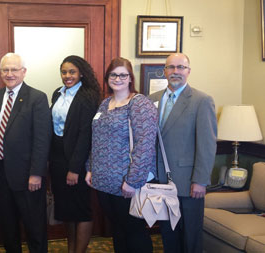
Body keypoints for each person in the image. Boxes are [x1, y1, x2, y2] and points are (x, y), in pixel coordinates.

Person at [85, 57, 157, 253]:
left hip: (126, 183)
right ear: (107, 77)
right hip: (103, 181)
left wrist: (133, 181)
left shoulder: (139, 103)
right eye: (113, 74)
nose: (118, 78)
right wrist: (90, 168)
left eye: (123, 75)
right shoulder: (105, 103)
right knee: (117, 228)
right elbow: (96, 140)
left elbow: (145, 145)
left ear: (130, 78)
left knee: (134, 230)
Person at [0, 52, 52, 253]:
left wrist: (36, 173)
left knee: (34, 228)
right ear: (0, 72)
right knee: (8, 227)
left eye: (14, 69)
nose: (10, 73)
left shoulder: (37, 98)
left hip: (28, 176)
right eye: (6, 69)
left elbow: (42, 139)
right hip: (0, 173)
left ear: (23, 72)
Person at [149, 53, 217, 253]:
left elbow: (207, 144)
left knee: (191, 237)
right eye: (171, 67)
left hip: (188, 183)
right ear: (164, 71)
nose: (175, 72)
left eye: (181, 67)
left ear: (188, 71)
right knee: (169, 235)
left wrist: (201, 180)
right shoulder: (152, 100)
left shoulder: (201, 100)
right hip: (159, 182)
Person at [49, 55, 100, 253]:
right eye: (64, 72)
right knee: (65, 211)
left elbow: (85, 134)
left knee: (81, 211)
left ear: (81, 73)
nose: (67, 76)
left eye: (72, 72)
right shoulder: (57, 94)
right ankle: (72, 249)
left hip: (76, 162)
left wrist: (74, 169)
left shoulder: (88, 96)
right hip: (57, 159)